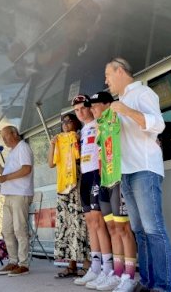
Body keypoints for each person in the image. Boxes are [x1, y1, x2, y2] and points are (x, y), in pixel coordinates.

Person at [105, 58, 171, 292]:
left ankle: (163, 287)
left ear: (121, 71)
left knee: (153, 229)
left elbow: (158, 125)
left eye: (108, 75)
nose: (106, 81)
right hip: (126, 172)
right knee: (140, 231)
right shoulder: (120, 102)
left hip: (144, 169)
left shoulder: (143, 93)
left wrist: (125, 111)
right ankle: (146, 282)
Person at [89, 91, 137, 291]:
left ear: (108, 104)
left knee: (124, 229)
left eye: (95, 106)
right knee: (112, 229)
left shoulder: (118, 117)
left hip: (118, 178)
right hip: (104, 180)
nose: (92, 110)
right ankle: (117, 273)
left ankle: (130, 275)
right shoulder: (99, 125)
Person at [72, 95, 112, 287]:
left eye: (82, 108)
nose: (80, 113)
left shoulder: (99, 123)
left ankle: (107, 268)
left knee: (98, 222)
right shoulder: (81, 130)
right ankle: (95, 268)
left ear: (90, 108)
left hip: (98, 173)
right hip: (85, 176)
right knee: (90, 222)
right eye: (76, 110)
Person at [47, 113, 90, 278]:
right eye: (63, 122)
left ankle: (86, 264)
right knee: (67, 225)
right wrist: (52, 145)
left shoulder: (80, 137)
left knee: (81, 223)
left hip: (79, 184)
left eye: (69, 121)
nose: (65, 124)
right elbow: (51, 163)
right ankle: (71, 265)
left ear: (76, 123)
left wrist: (76, 140)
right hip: (63, 187)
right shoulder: (60, 140)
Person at [0, 126, 34, 276]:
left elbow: (26, 169)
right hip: (9, 194)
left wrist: (6, 178)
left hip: (20, 194)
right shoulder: (11, 152)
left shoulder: (23, 147)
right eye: (2, 138)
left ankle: (23, 264)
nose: (4, 140)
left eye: (6, 136)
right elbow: (6, 174)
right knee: (7, 230)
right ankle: (12, 261)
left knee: (19, 230)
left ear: (15, 134)